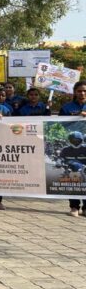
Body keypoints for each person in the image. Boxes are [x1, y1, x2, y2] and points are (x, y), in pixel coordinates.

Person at [59, 81, 86, 216]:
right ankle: (74, 207)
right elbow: (61, 125)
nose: (82, 93)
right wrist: (75, 118)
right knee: (72, 178)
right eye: (80, 91)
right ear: (75, 92)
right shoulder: (66, 107)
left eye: (84, 91)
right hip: (72, 143)